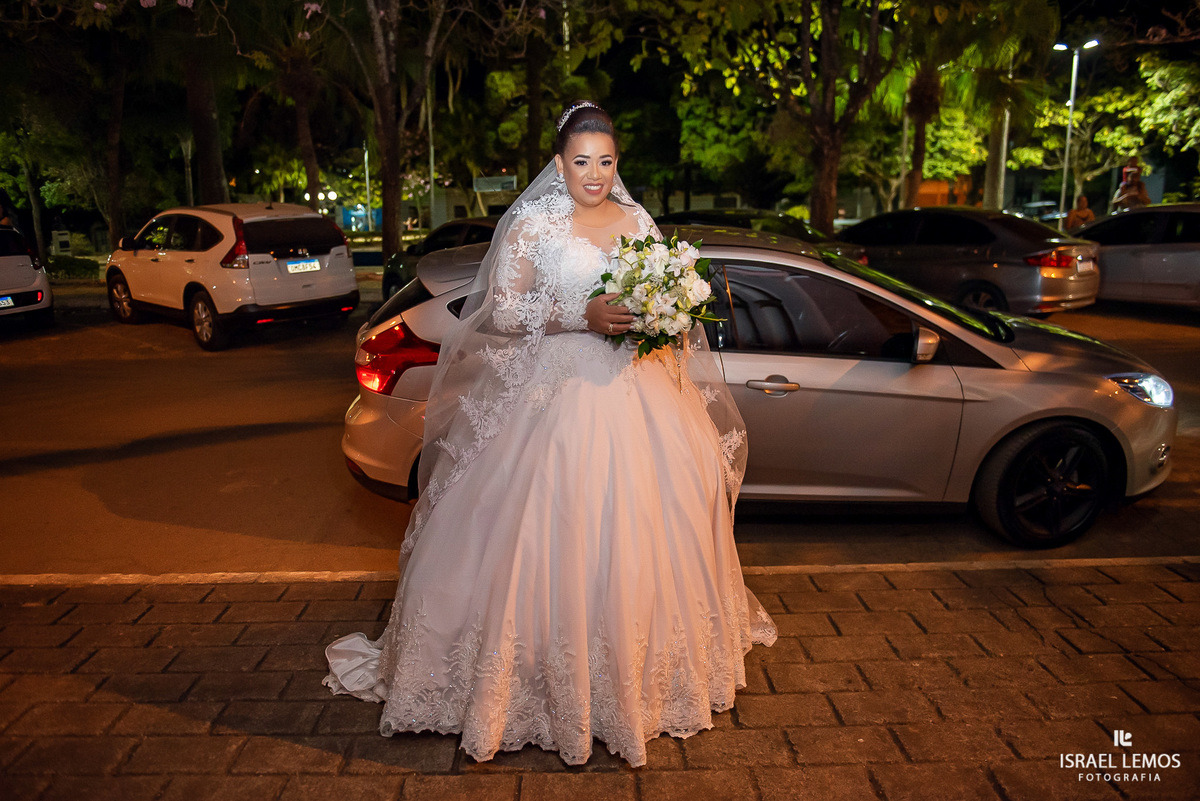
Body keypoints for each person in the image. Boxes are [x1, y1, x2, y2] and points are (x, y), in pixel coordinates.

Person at [324, 101, 777, 767]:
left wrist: (665, 313)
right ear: (559, 162)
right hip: (552, 398)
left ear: (617, 163)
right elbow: (501, 311)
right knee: (538, 529)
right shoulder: (533, 225)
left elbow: (665, 295)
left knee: (646, 528)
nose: (594, 173)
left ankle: (633, 682)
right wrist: (578, 314)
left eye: (606, 161)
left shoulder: (636, 220)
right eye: (581, 160)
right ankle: (526, 683)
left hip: (637, 392)